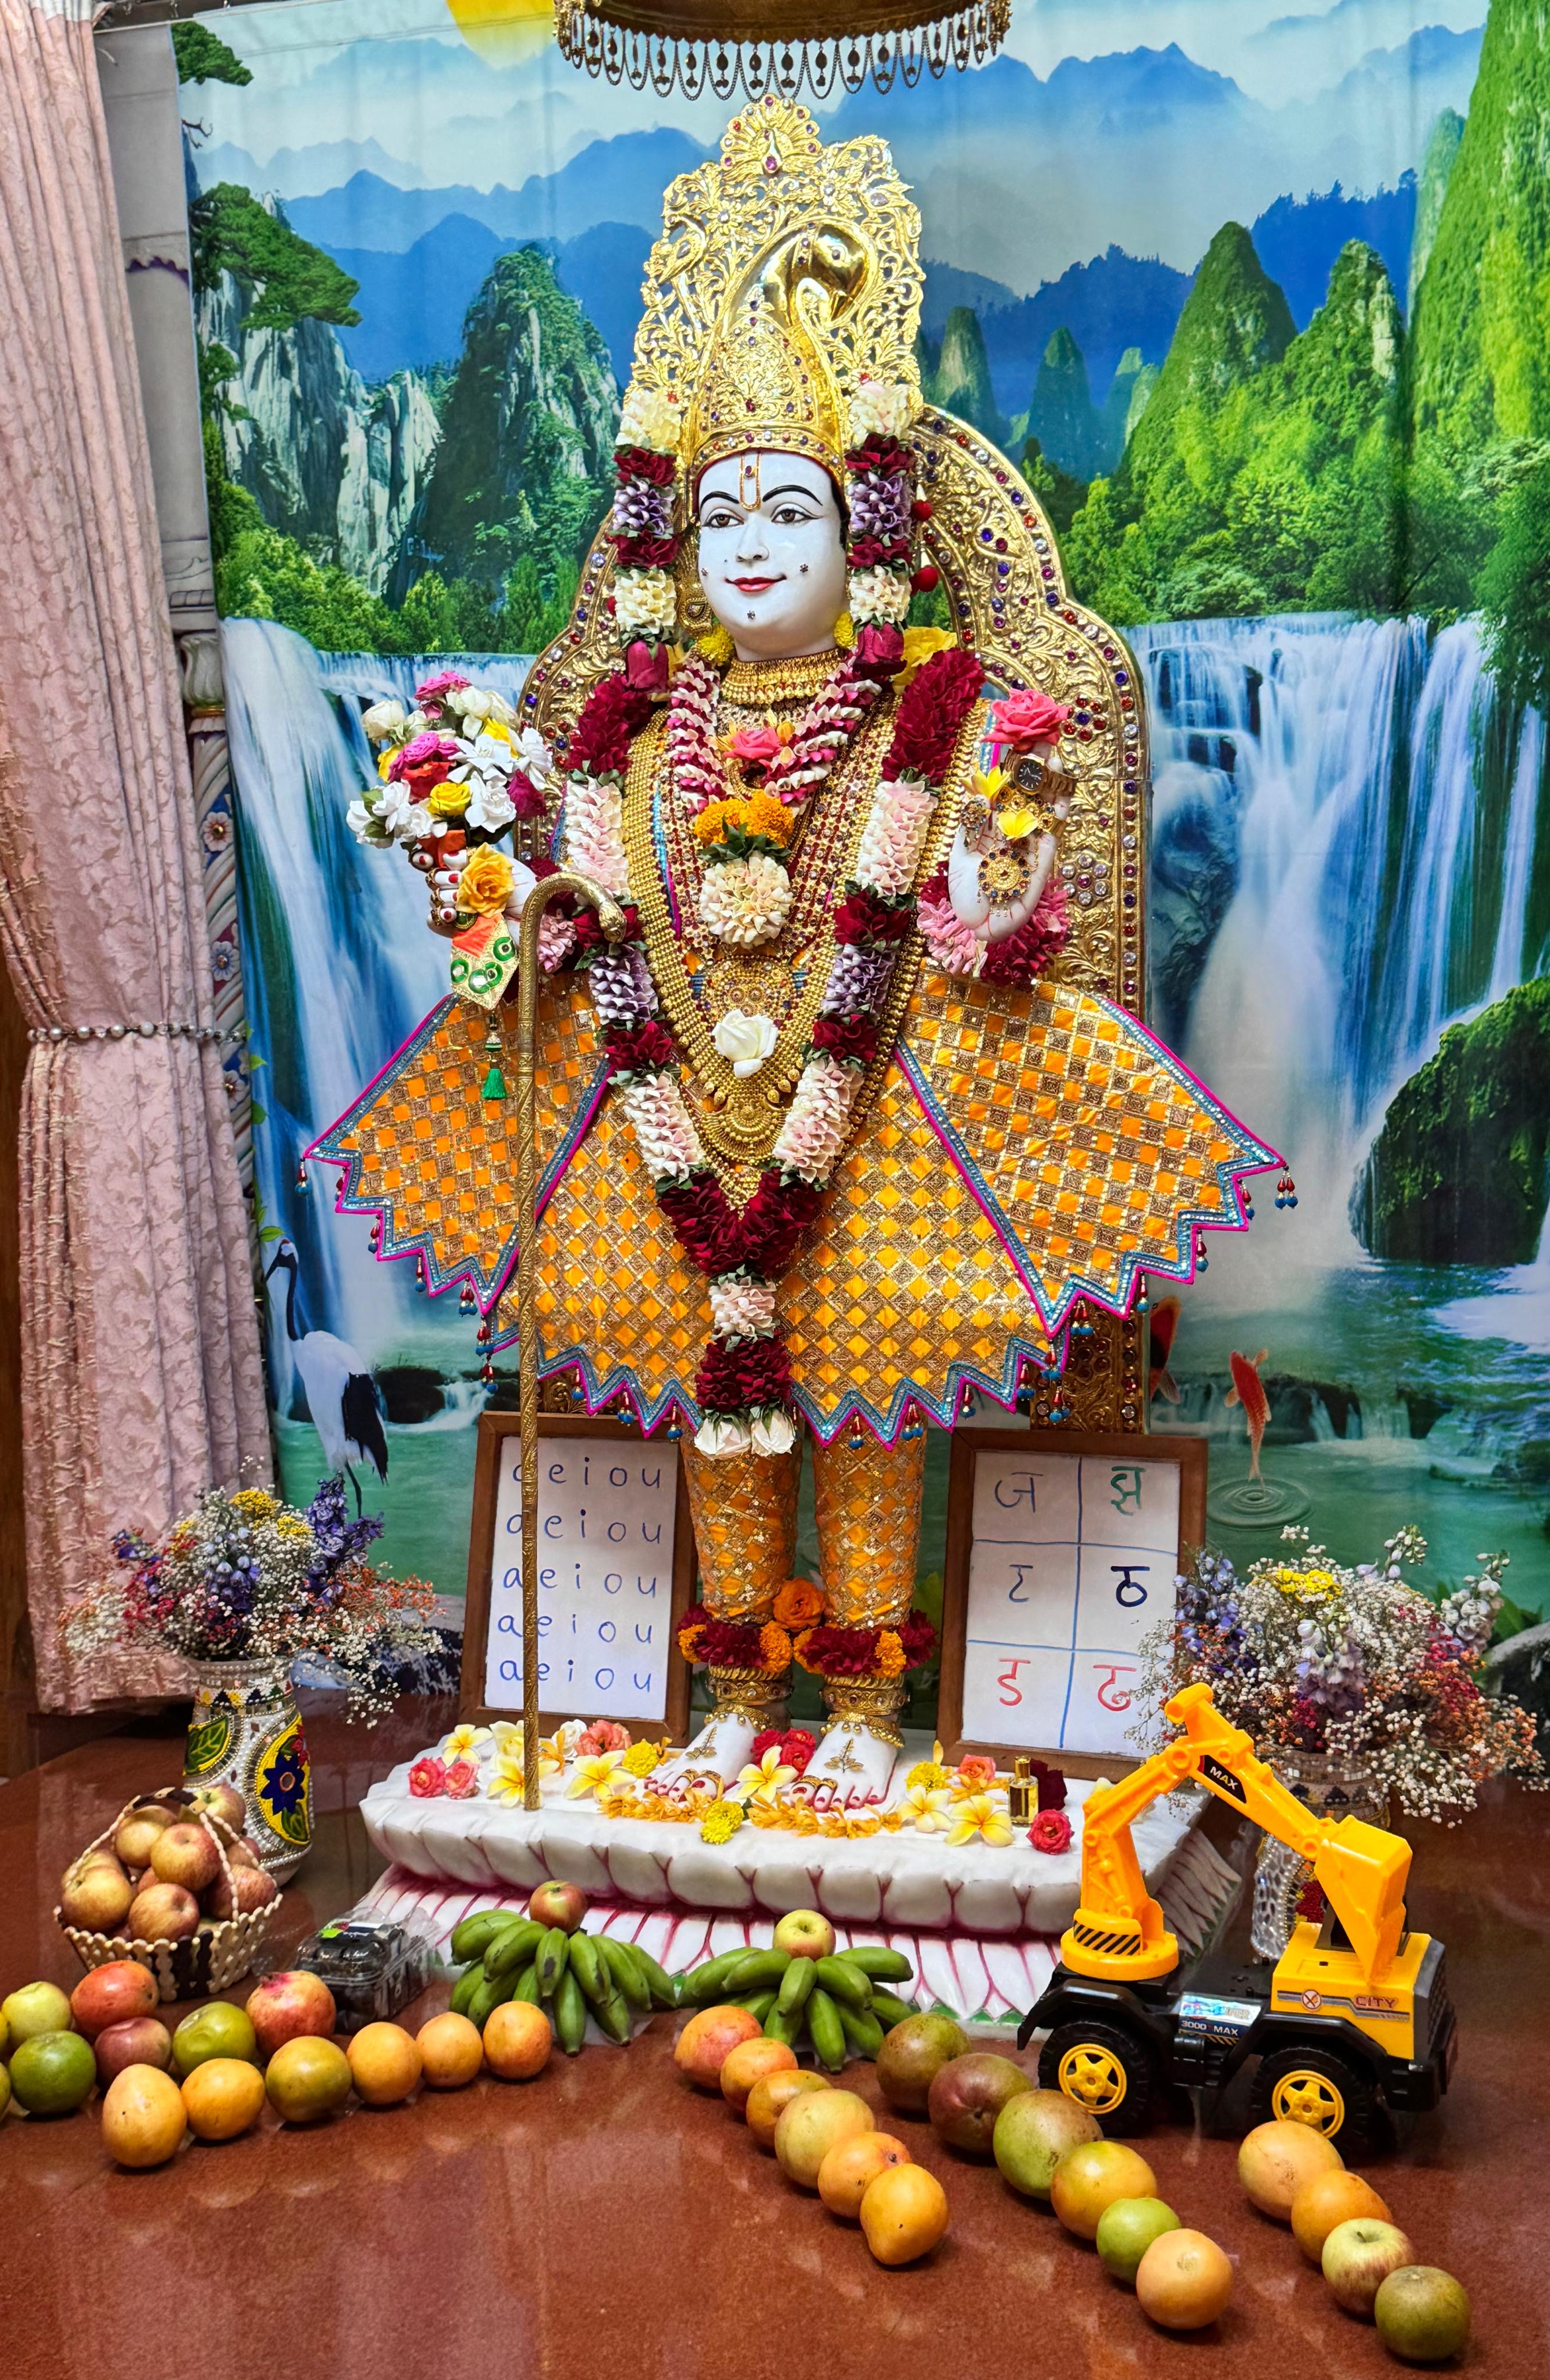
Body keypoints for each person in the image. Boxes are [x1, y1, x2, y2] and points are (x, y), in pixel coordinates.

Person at [322, 101, 1277, 1809]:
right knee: (714, 1407)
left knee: (872, 1399)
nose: (752, 543)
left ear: (866, 536)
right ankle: (732, 1687)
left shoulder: (936, 713)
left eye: (788, 509)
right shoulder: (624, 735)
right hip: (668, 1119)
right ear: (678, 555)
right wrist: (495, 889)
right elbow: (581, 916)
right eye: (719, 519)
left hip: (886, 1116)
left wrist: (1003, 862)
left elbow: (999, 906)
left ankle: (864, 1708)